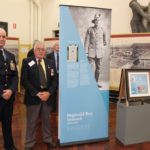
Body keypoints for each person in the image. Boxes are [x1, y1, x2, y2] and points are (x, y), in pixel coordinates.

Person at [21, 41, 57, 150]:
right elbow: (24, 80)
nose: (41, 51)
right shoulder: (27, 61)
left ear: (45, 51)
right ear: (34, 50)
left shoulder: (50, 62)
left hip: (47, 97)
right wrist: (37, 93)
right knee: (31, 122)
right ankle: (29, 143)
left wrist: (49, 93)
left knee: (46, 121)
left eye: (43, 49)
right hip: (33, 97)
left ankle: (48, 139)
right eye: (39, 49)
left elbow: (55, 80)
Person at [0, 28, 18, 150]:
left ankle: (9, 146)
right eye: (0, 36)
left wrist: (11, 90)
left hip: (8, 98)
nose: (2, 39)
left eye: (4, 37)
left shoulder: (10, 55)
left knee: (7, 123)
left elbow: (15, 75)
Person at [84, 14, 106, 88]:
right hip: (91, 52)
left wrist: (102, 47)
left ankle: (96, 83)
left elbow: (104, 41)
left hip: (100, 52)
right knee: (90, 68)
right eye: (96, 20)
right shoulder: (89, 29)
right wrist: (85, 51)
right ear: (94, 22)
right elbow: (86, 40)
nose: (97, 22)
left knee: (98, 69)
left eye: (98, 20)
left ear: (99, 21)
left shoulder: (103, 30)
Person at [47, 42, 59, 112]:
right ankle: (53, 107)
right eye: (57, 46)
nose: (58, 47)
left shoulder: (62, 55)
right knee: (53, 91)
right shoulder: (49, 55)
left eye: (59, 46)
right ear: (53, 47)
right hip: (52, 75)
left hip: (61, 76)